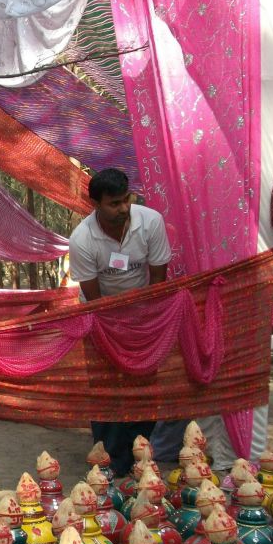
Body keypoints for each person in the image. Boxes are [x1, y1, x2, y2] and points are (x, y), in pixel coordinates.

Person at [68, 168, 172, 476]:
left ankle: (141, 454)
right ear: (96, 205)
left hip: (143, 316)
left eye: (126, 199)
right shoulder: (83, 239)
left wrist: (148, 323)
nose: (123, 208)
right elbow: (94, 298)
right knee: (106, 387)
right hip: (102, 318)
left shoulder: (151, 222)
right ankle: (110, 459)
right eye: (114, 203)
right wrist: (113, 331)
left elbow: (158, 280)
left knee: (143, 384)